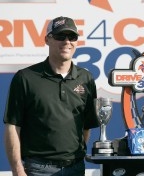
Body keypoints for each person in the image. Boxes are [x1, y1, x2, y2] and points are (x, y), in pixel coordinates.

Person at [3, 16, 99, 176]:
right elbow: (12, 126)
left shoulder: (86, 78)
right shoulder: (25, 77)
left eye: (72, 37)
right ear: (47, 40)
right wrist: (17, 170)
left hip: (75, 168)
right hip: (38, 169)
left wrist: (72, 158)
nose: (67, 41)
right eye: (60, 36)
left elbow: (86, 127)